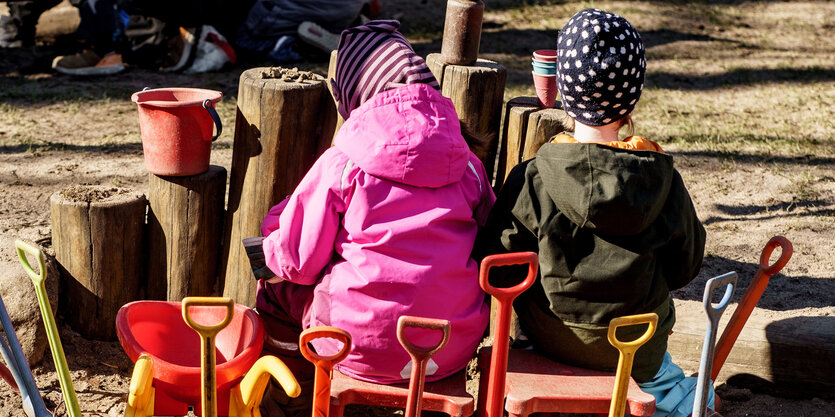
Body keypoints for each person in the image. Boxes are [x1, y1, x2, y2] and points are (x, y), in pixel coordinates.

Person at [474, 8, 711, 417]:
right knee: (702, 396)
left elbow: (498, 264)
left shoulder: (533, 177)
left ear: (564, 89)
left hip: (553, 337)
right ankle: (675, 397)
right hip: (637, 349)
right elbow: (684, 267)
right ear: (632, 97)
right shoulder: (661, 180)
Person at [255, 19, 495, 415]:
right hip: (447, 347)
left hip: (355, 345)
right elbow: (486, 235)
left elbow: (295, 260)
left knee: (277, 291)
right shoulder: (467, 166)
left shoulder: (344, 165)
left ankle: (295, 399)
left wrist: (270, 234)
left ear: (353, 97)